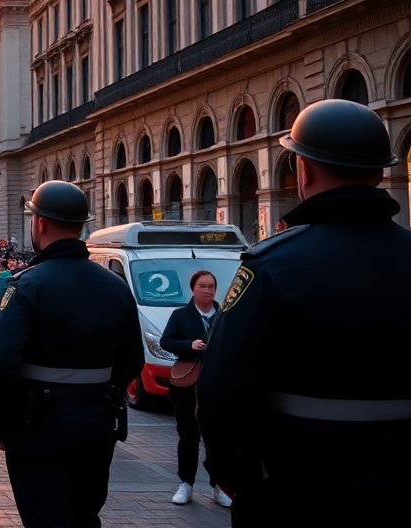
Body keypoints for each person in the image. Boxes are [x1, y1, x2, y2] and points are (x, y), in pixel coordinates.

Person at [198, 99, 411, 526]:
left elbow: (221, 387)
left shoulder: (271, 264)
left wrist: (229, 472)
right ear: (379, 172)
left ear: (305, 172)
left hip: (296, 486)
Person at [0, 181, 143, 528]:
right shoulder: (115, 286)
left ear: (39, 223)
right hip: (97, 423)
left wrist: (0, 423)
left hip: (37, 426)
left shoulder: (27, 285)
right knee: (85, 516)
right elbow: (133, 359)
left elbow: (0, 364)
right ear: (82, 224)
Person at [160, 270, 225, 507]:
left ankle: (218, 486)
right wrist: (190, 345)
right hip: (187, 384)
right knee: (188, 435)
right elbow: (166, 341)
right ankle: (185, 484)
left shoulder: (224, 314)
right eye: (203, 286)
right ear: (193, 288)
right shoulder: (180, 315)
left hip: (216, 383)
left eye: (211, 286)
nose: (208, 290)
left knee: (216, 436)